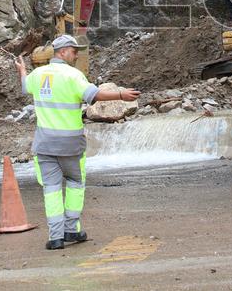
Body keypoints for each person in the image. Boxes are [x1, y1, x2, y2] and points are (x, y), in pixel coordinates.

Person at [16, 35, 141, 250]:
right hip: (71, 145)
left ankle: (55, 238)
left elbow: (25, 86)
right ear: (63, 52)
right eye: (74, 51)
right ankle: (72, 231)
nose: (76, 55)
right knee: (75, 185)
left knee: (51, 189)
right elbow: (94, 95)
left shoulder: (38, 74)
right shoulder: (73, 75)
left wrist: (22, 70)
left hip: (45, 145)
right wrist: (120, 94)